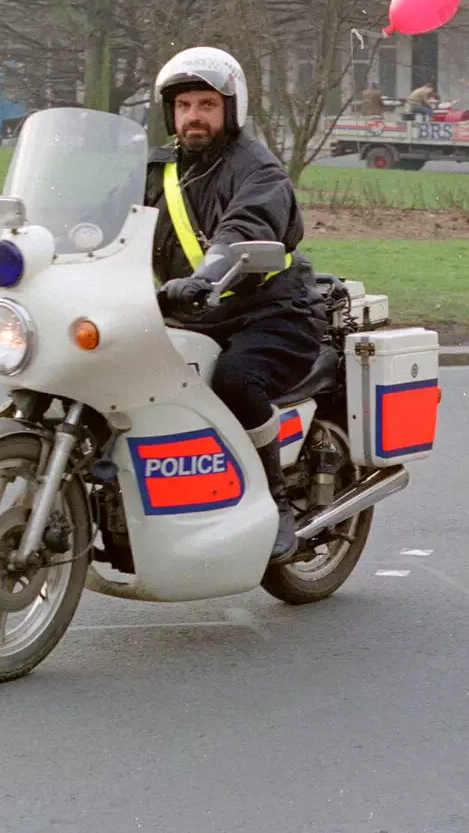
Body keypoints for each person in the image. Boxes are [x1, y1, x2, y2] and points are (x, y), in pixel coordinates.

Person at [147, 46, 326, 563]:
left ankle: (274, 503)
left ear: (231, 108)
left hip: (270, 309)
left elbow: (247, 224)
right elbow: (108, 221)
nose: (193, 116)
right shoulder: (158, 170)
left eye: (206, 103)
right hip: (192, 312)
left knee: (236, 380)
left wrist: (209, 271)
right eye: (183, 106)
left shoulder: (259, 170)